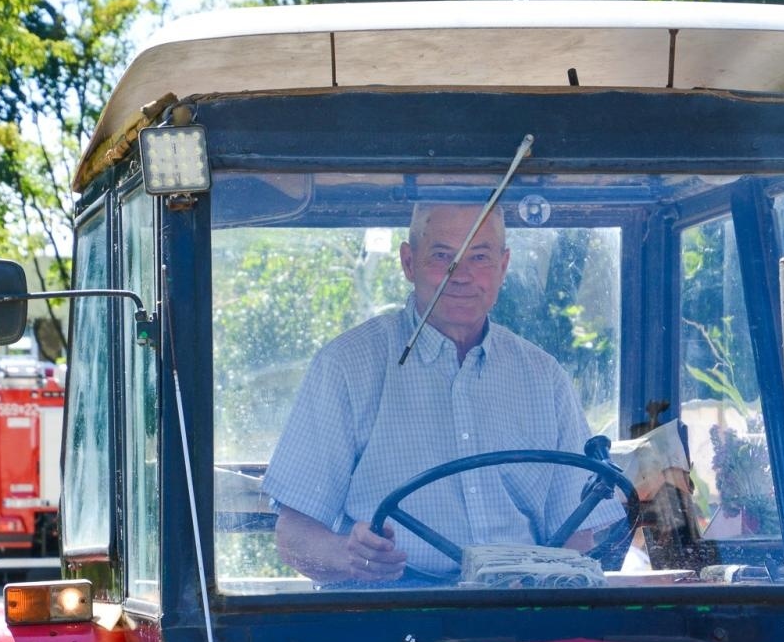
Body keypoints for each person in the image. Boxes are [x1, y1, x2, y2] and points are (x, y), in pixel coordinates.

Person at [264, 202, 618, 583]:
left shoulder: (545, 377)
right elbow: (294, 536)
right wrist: (350, 555)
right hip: (390, 612)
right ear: (408, 262)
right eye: (442, 256)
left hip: (521, 612)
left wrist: (546, 588)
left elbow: (579, 532)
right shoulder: (347, 366)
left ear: (503, 266)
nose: (461, 275)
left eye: (479, 257)